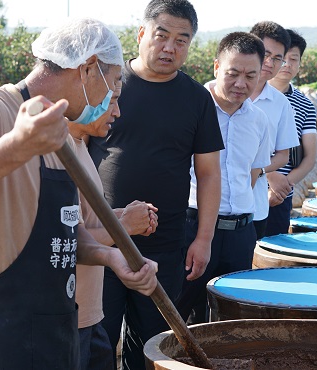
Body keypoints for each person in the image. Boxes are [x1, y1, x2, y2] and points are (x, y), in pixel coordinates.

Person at [0, 18, 158, 370]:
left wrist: (110, 257)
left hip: (54, 327)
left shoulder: (64, 137)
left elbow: (63, 233)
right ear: (87, 70)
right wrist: (19, 144)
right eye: (114, 85)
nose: (114, 104)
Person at [88, 0, 223, 368]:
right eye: (162, 36)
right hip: (101, 239)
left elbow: (209, 173)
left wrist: (204, 238)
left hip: (164, 245)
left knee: (151, 345)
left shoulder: (197, 99)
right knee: (97, 338)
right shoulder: (108, 86)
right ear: (142, 34)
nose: (170, 48)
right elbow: (78, 149)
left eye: (182, 40)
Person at [64, 35, 159, 370]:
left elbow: (84, 219)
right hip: (69, 316)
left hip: (90, 312)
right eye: (113, 98)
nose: (116, 111)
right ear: (86, 76)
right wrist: (123, 226)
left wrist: (122, 215)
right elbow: (65, 238)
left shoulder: (79, 146)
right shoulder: (56, 151)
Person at [177, 32, 271, 324]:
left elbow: (254, 172)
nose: (241, 84)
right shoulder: (190, 108)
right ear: (216, 67)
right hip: (192, 227)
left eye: (250, 75)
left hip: (240, 233)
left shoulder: (259, 120)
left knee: (230, 318)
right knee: (178, 310)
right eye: (233, 73)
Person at [249, 21, 299, 239]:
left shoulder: (280, 103)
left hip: (256, 206)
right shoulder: (212, 94)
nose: (269, 62)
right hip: (209, 205)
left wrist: (259, 171)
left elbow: (283, 155)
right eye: (265, 53)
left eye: (277, 58)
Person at [266, 29, 317, 236]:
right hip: (246, 191)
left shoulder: (305, 105)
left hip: (282, 196)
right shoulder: (247, 95)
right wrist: (269, 176)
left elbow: (310, 157)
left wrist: (282, 187)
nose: (287, 64)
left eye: (293, 59)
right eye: (282, 58)